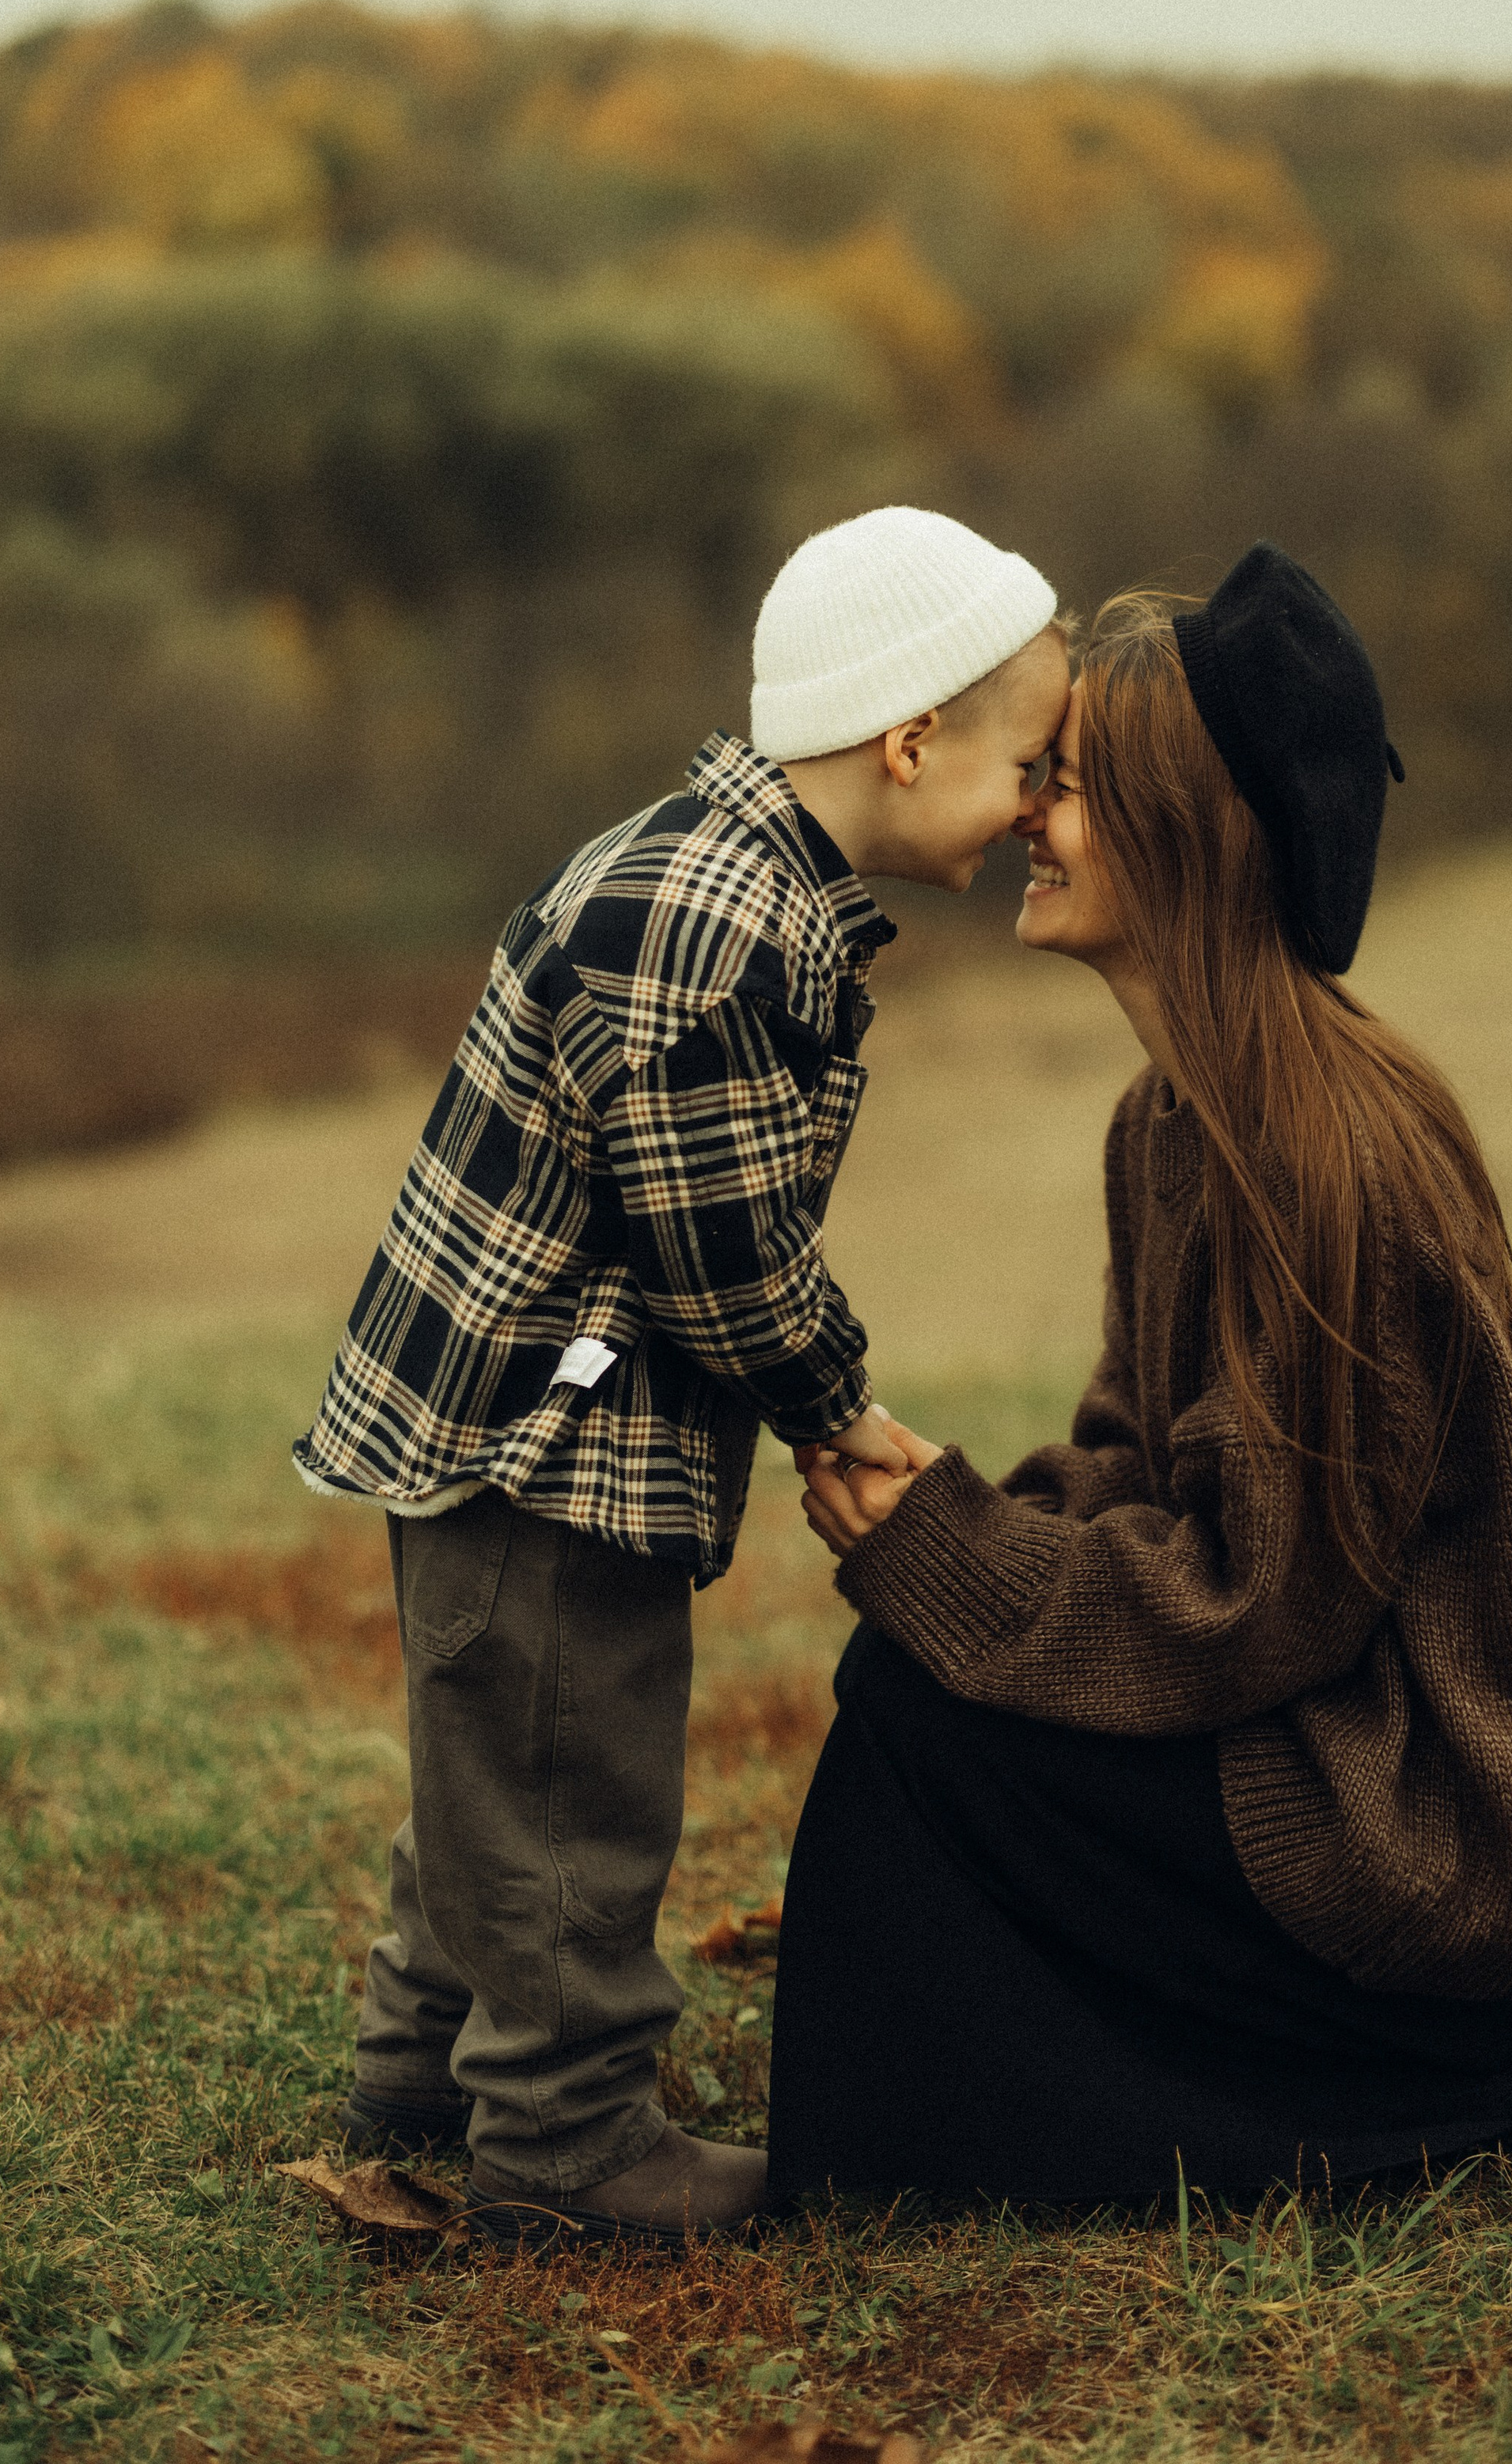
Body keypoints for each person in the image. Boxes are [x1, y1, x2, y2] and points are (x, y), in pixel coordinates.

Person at [771, 545, 1512, 2208]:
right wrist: (957, 1504)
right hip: (1330, 1749)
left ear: (1189, 828)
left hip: (1441, 1829)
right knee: (932, 1674)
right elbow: (1140, 1470)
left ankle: (1316, 2097)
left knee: (926, 1702)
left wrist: (955, 1567)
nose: (1027, 817)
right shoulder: (1173, 1123)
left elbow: (1264, 1604)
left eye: (1069, 787)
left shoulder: (1329, 1161)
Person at [292, 506, 1069, 2246]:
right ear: (912, 737)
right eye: (1028, 761)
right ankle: (564, 2150)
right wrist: (833, 1398)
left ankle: (426, 2072)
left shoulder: (715, 877)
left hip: (523, 1423)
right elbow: (715, 1255)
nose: (1038, 806)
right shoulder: (709, 924)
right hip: (540, 1437)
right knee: (567, 1781)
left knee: (492, 1771)